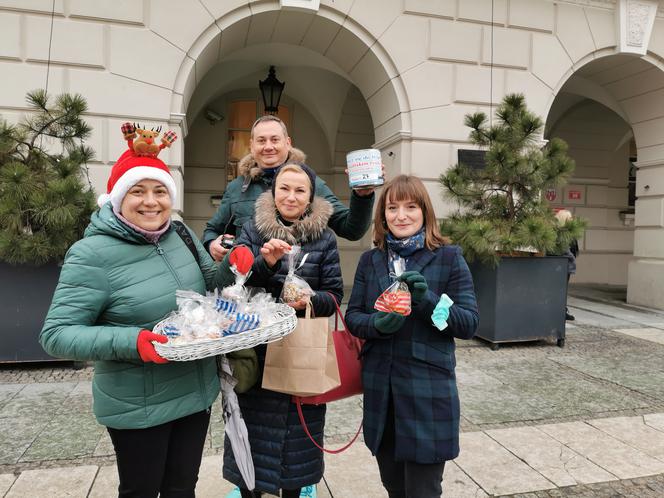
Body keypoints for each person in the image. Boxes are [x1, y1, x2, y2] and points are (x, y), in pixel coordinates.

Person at [39, 124, 252, 498]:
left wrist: (235, 265)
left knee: (182, 488)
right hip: (138, 406)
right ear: (118, 198)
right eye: (137, 191)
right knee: (141, 491)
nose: (151, 202)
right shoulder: (91, 254)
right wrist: (133, 341)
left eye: (159, 191)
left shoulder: (180, 233)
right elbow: (56, 335)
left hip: (195, 393)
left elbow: (209, 285)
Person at [344, 175, 479, 498]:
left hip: (427, 395)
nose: (401, 215)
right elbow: (354, 317)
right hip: (382, 395)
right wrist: (377, 324)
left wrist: (427, 300)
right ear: (382, 215)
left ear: (425, 212)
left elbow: (468, 323)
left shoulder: (448, 258)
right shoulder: (371, 260)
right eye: (392, 208)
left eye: (410, 207)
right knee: (393, 485)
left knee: (423, 490)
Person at [219, 162, 343, 498]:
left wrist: (311, 300)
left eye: (299, 190)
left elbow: (334, 295)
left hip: (302, 354)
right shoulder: (253, 230)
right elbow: (234, 285)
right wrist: (266, 262)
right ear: (273, 195)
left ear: (310, 197)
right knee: (250, 453)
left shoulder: (325, 238)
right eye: (284, 189)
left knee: (295, 458)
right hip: (255, 358)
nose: (291, 196)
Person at [203, 115, 376, 261]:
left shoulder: (311, 183)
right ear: (252, 145)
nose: (268, 146)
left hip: (298, 290)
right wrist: (212, 245)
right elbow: (212, 230)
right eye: (261, 140)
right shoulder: (236, 188)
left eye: (275, 139)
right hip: (249, 291)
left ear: (287, 143)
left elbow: (352, 230)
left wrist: (363, 195)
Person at [555, 209, 579, 321]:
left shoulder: (569, 232)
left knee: (563, 289)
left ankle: (563, 310)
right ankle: (560, 311)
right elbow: (564, 250)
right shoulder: (560, 233)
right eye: (569, 218)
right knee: (559, 290)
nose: (572, 220)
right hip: (561, 266)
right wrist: (571, 258)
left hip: (567, 265)